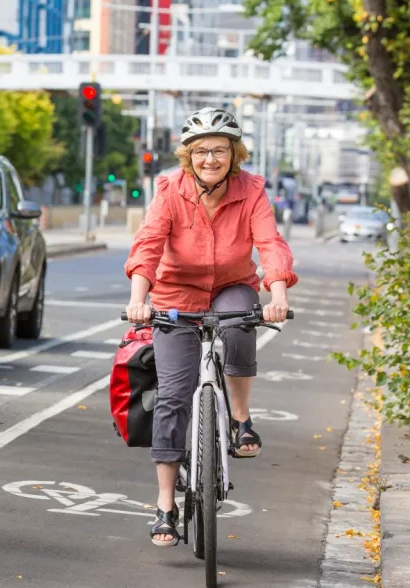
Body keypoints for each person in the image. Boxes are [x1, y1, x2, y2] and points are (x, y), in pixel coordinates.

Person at [123, 107, 296, 547]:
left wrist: (278, 295)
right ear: (189, 156)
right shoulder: (169, 190)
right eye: (201, 151)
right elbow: (148, 244)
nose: (210, 159)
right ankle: (165, 505)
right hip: (175, 293)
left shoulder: (251, 190)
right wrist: (139, 299)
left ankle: (240, 421)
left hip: (231, 285)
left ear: (234, 154)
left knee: (241, 323)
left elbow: (270, 244)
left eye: (220, 150)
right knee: (173, 398)